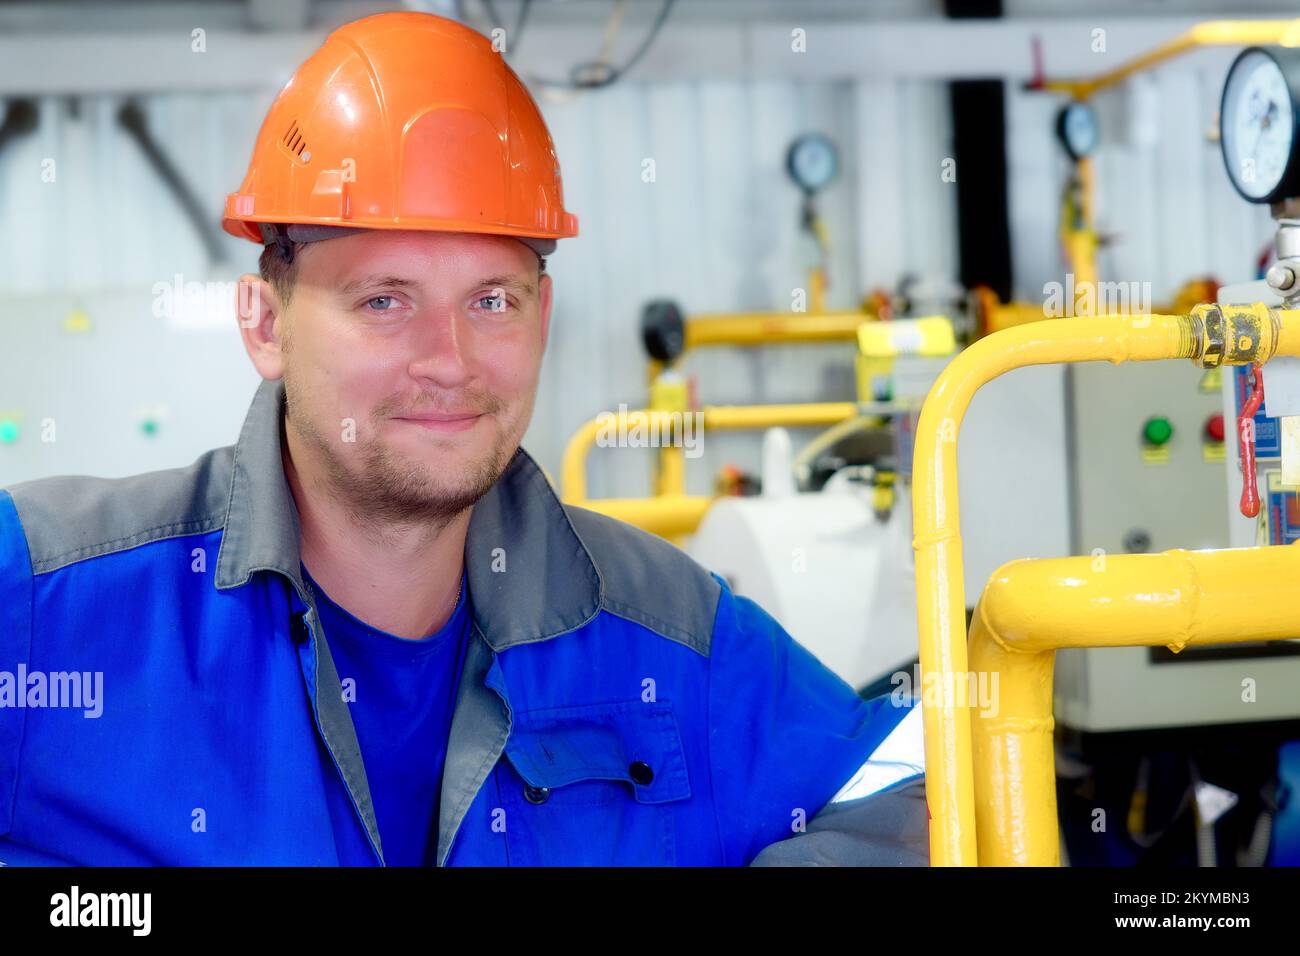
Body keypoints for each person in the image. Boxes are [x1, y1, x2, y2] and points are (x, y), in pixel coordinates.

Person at [0, 10, 926, 866]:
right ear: (266, 323)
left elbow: (906, 787)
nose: (448, 361)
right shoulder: (50, 603)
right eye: (384, 300)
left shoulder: (670, 634)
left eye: (491, 301)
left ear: (543, 317)